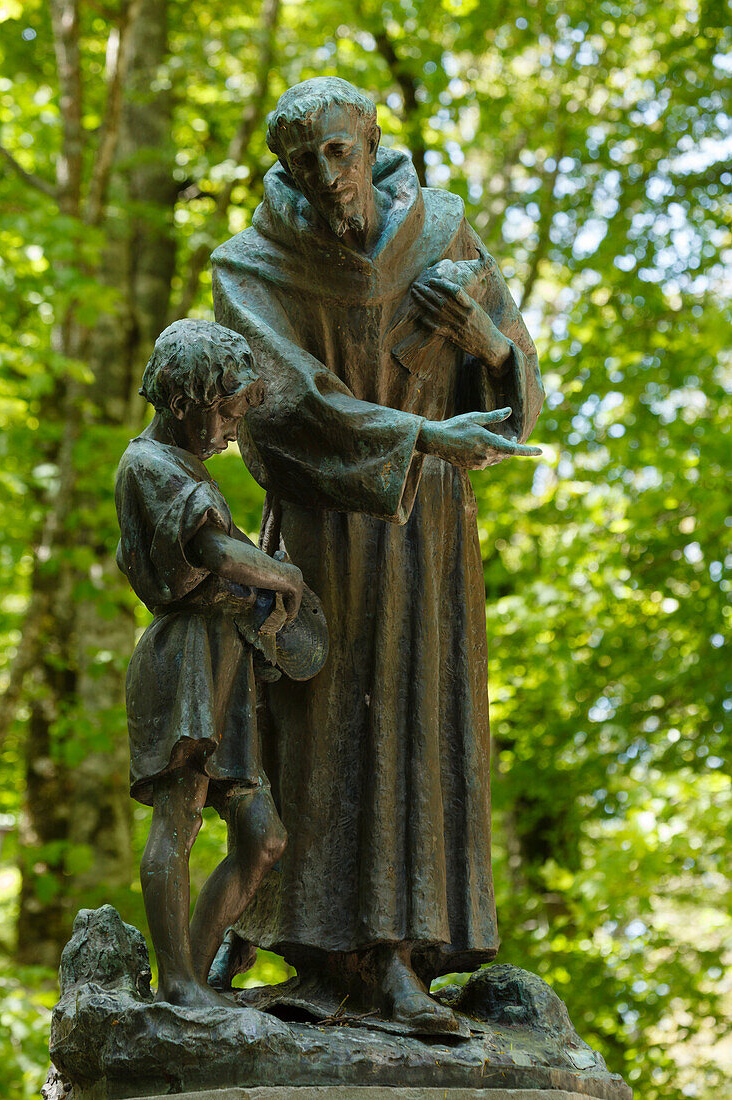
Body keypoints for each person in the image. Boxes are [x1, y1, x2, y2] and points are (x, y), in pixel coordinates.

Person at [212, 78, 544, 1034]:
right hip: (324, 529)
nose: (327, 176)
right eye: (305, 161)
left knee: (423, 723)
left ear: (369, 139)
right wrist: (421, 440)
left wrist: (477, 334)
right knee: (322, 733)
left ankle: (403, 959)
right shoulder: (250, 266)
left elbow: (515, 383)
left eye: (340, 151)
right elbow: (282, 405)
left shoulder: (444, 231)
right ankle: (319, 956)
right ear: (284, 169)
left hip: (431, 532)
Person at [115, 318, 318, 1008]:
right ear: (187, 400)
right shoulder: (149, 464)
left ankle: (193, 981)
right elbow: (214, 555)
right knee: (179, 816)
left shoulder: (185, 466)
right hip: (185, 660)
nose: (234, 427)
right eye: (228, 410)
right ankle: (177, 983)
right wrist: (283, 579)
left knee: (262, 838)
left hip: (223, 660)